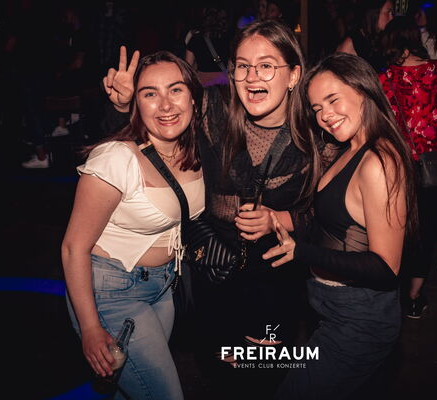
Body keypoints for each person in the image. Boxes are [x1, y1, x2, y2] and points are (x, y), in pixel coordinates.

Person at [102, 20, 328, 398]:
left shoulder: (317, 132)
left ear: (293, 75)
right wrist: (124, 106)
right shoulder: (213, 109)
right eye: (243, 66)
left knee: (263, 374)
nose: (252, 76)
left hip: (275, 281)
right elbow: (138, 143)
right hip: (213, 269)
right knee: (218, 368)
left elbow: (340, 216)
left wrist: (283, 218)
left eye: (266, 65)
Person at [263, 52, 418, 399]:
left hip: (359, 319)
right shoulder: (350, 149)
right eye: (317, 108)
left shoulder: (379, 162)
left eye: (333, 100)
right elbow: (333, 224)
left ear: (363, 91)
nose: (325, 115)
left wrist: (301, 252)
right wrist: (277, 219)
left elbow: (386, 267)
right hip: (332, 307)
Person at [62, 49, 205, 400]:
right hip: (112, 294)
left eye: (176, 90)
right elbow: (73, 248)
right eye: (150, 93)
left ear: (193, 97)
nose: (166, 104)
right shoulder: (116, 159)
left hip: (163, 288)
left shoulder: (199, 149)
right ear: (137, 105)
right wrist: (90, 327)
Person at [379, 15, 437, 318]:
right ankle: (413, 297)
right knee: (427, 232)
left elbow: (378, 126)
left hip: (397, 169)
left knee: (395, 231)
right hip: (433, 169)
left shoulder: (385, 78)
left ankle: (391, 292)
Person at [335, 0, 394, 71]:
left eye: (392, 13)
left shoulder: (380, 39)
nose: (391, 18)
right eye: (388, 12)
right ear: (374, 13)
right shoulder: (351, 43)